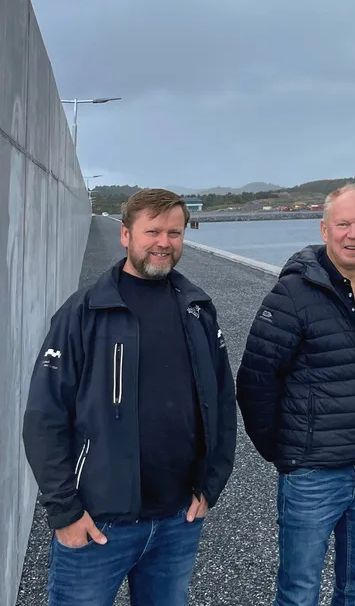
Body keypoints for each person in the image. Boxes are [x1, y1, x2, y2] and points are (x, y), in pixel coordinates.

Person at [22, 188, 237, 606]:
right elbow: (43, 416)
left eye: (174, 233)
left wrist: (212, 484)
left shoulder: (198, 309)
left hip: (177, 521)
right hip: (98, 523)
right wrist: (65, 511)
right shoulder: (85, 312)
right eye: (152, 231)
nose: (164, 243)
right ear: (125, 235)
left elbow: (223, 401)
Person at [236, 183, 355, 606]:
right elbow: (255, 380)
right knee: (299, 592)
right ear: (324, 229)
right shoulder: (293, 293)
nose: (353, 234)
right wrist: (286, 453)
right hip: (312, 476)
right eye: (343, 224)